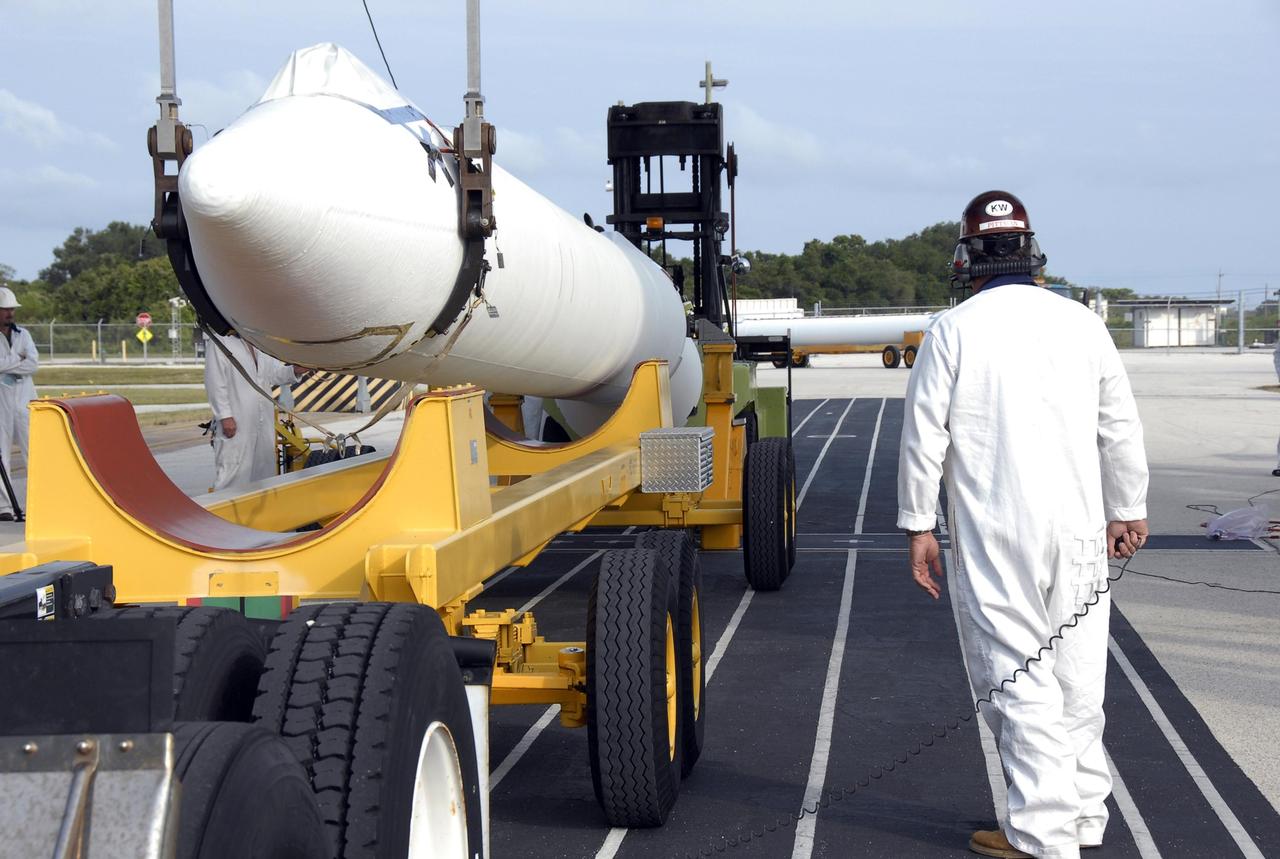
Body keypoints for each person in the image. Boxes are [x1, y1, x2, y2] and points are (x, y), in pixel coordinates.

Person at [897, 191, 1149, 859]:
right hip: (1079, 528)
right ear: (1030, 251)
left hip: (997, 530)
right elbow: (1118, 424)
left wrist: (919, 524)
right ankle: (1084, 817)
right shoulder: (1084, 324)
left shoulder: (953, 329)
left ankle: (1040, 833)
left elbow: (924, 436)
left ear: (969, 254)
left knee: (1020, 677)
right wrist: (1128, 506)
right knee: (1077, 678)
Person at [204, 329, 302, 490]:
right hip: (236, 420)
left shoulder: (258, 341)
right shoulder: (220, 342)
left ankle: (260, 512)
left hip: (262, 421)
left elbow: (274, 373)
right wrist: (224, 416)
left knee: (264, 470)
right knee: (233, 471)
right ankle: (226, 511)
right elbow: (215, 381)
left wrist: (295, 370)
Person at [0, 287, 37, 521]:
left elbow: (33, 364)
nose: (10, 313)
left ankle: (38, 502)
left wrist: (6, 363)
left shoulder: (23, 334)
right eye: (6, 309)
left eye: (12, 309)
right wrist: (17, 359)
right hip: (1, 400)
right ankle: (5, 507)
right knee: (2, 453)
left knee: (33, 451)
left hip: (24, 398)